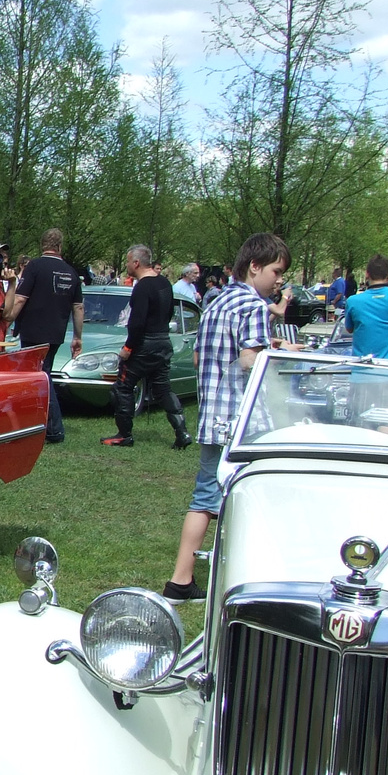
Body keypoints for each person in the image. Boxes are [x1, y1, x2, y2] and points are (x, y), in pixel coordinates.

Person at [161, 234, 297, 603]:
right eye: (276, 271)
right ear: (254, 267)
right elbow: (250, 360)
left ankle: (182, 580)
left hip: (212, 416)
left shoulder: (217, 302)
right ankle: (241, 576)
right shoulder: (253, 306)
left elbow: (198, 359)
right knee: (251, 496)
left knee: (205, 498)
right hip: (240, 422)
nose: (278, 280)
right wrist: (281, 358)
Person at [101, 246, 193, 449]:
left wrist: (128, 347)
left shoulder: (142, 287)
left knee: (123, 387)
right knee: (163, 388)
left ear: (136, 263)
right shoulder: (165, 283)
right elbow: (169, 314)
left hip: (144, 344)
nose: (126, 266)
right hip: (162, 341)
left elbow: (137, 322)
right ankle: (182, 431)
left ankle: (124, 434)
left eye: (127, 262)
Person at [10, 228, 84, 445]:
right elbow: (78, 307)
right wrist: (78, 336)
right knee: (42, 375)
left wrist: (7, 318)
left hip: (34, 331)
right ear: (60, 247)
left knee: (41, 377)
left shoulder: (34, 267)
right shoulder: (70, 272)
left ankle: (54, 428)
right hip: (56, 332)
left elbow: (21, 298)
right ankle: (36, 424)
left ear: (43, 245)